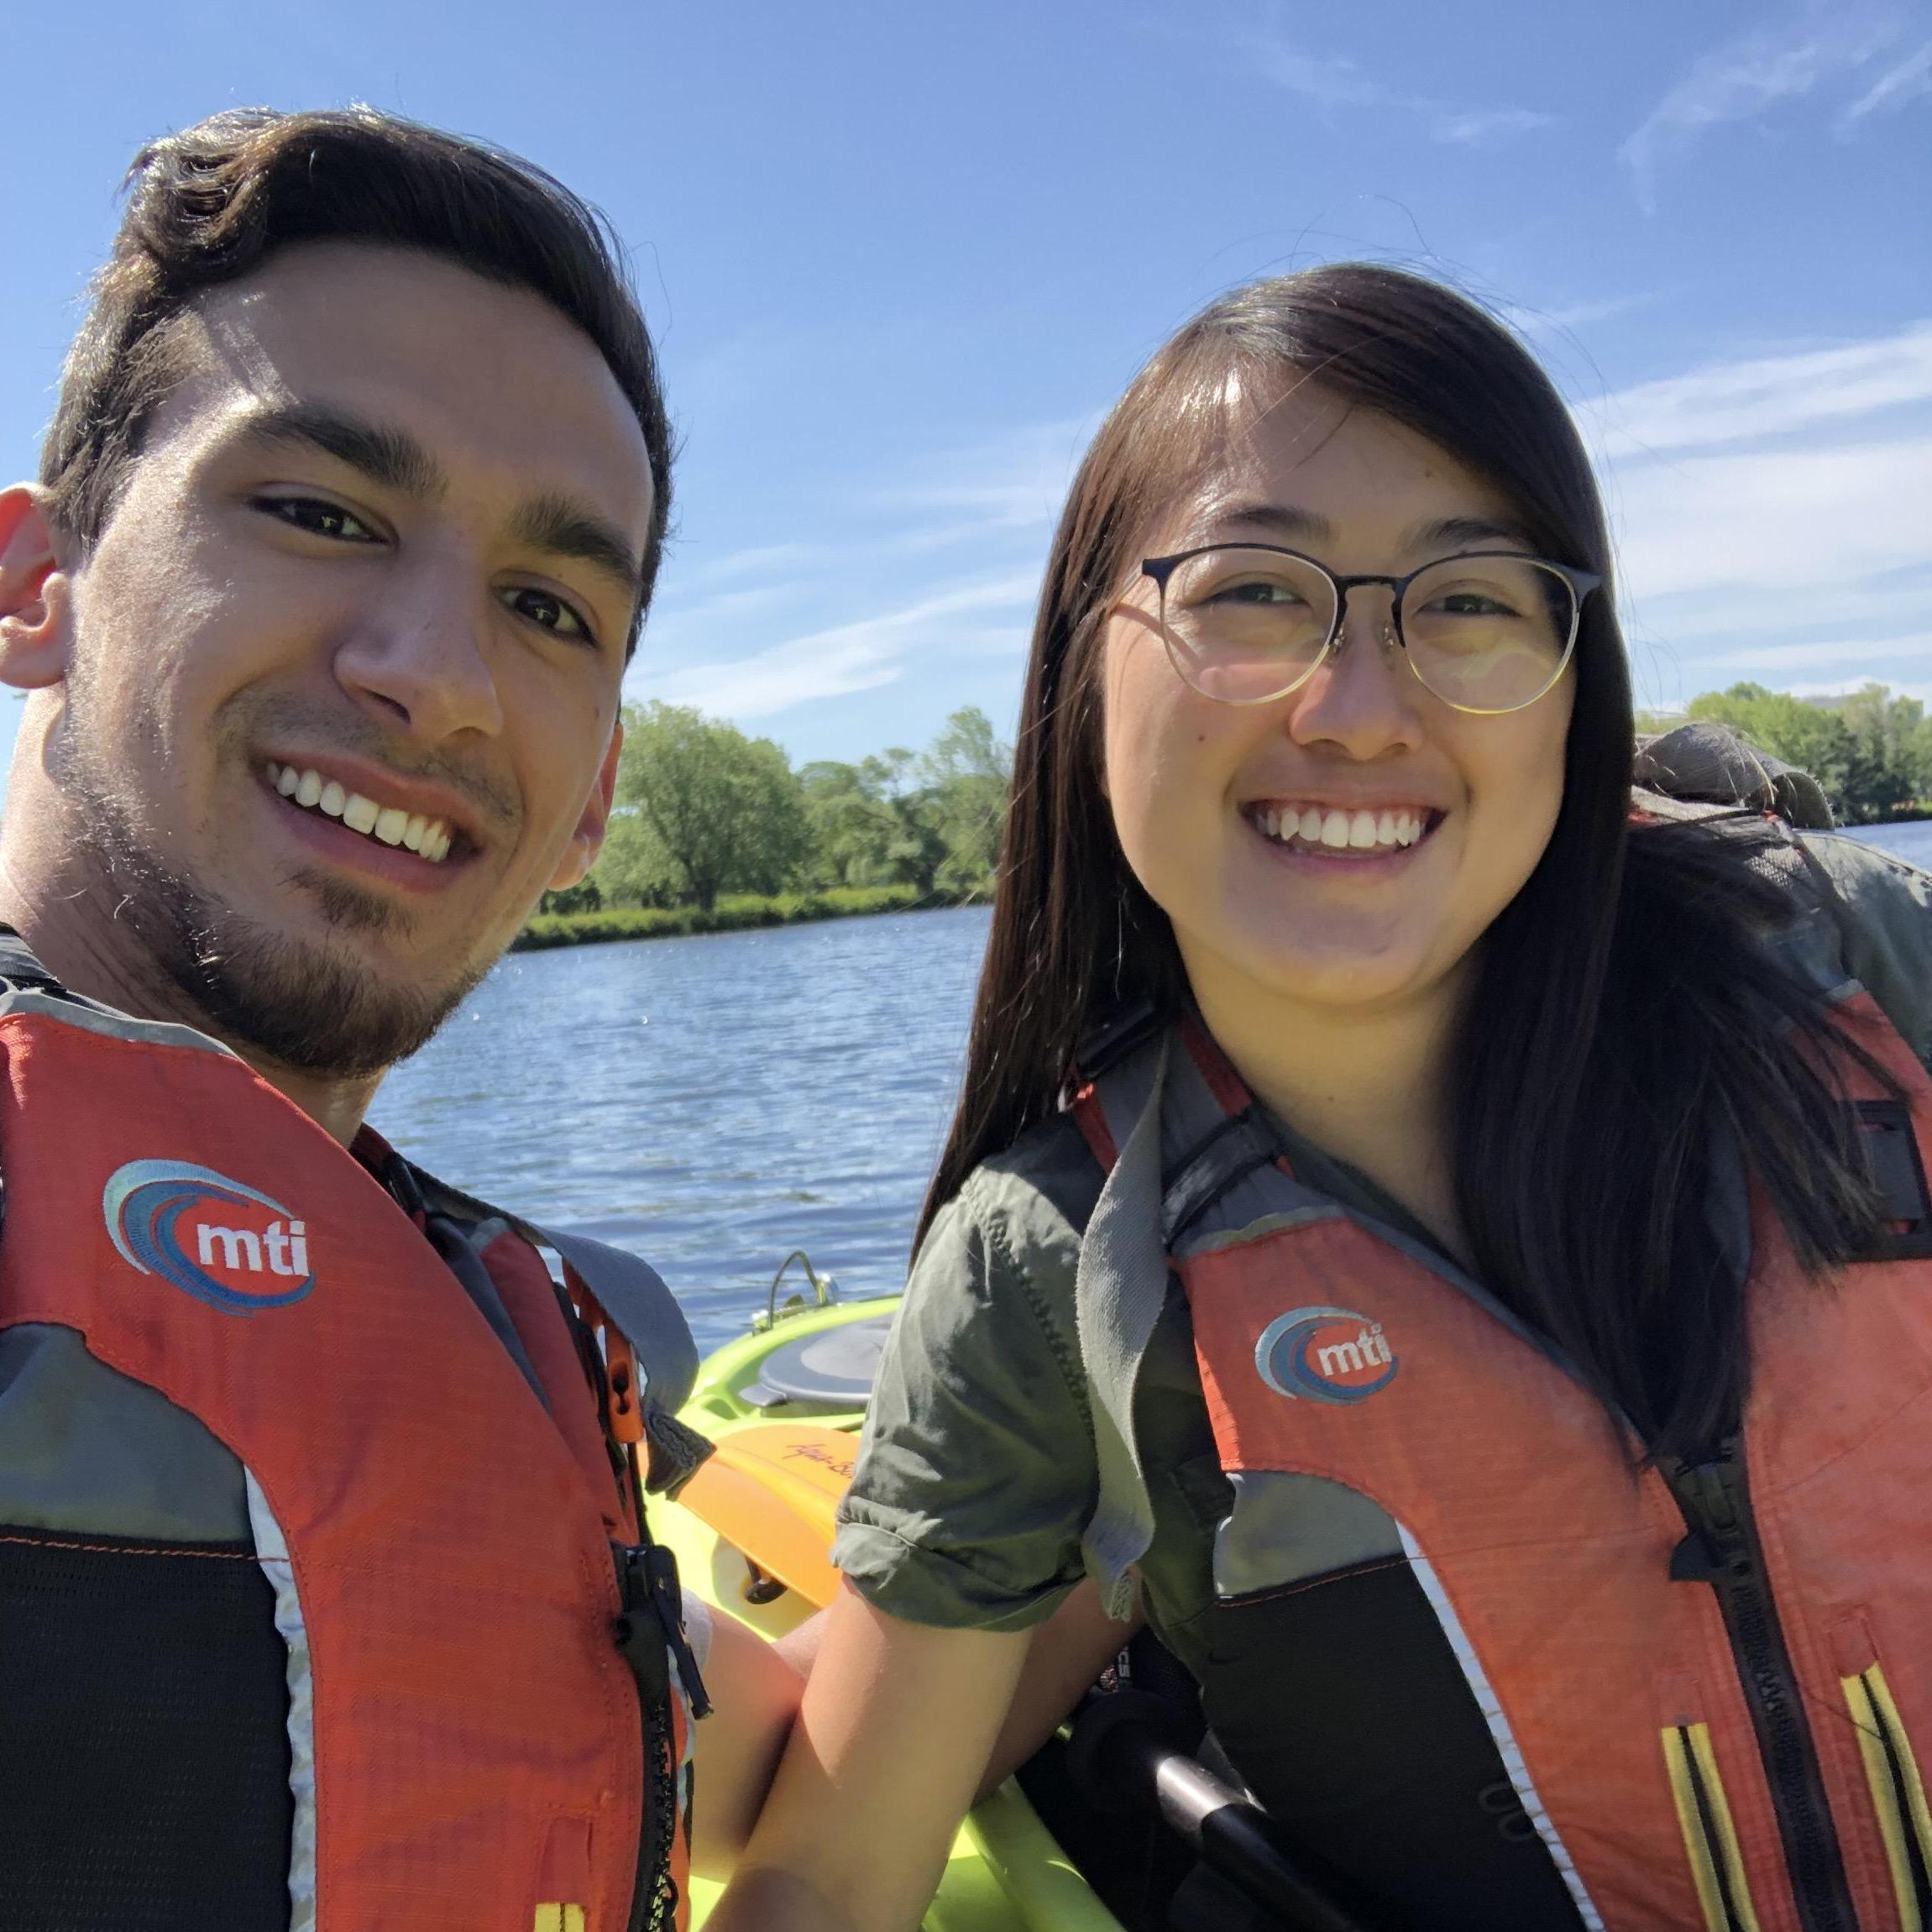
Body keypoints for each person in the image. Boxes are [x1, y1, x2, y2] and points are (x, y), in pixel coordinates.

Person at [711, 265, 1932, 1932]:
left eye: (1468, 602)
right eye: (1252, 594)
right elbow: (828, 1869)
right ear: (1082, 670)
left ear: (1574, 687)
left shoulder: (1860, 965)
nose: (1357, 712)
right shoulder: (1050, 1275)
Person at [0, 107, 799, 1930]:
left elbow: (780, 1746)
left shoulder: (464, 1329)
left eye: (546, 605)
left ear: (594, 799)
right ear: (39, 589)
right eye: (318, 512)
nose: (437, 676)